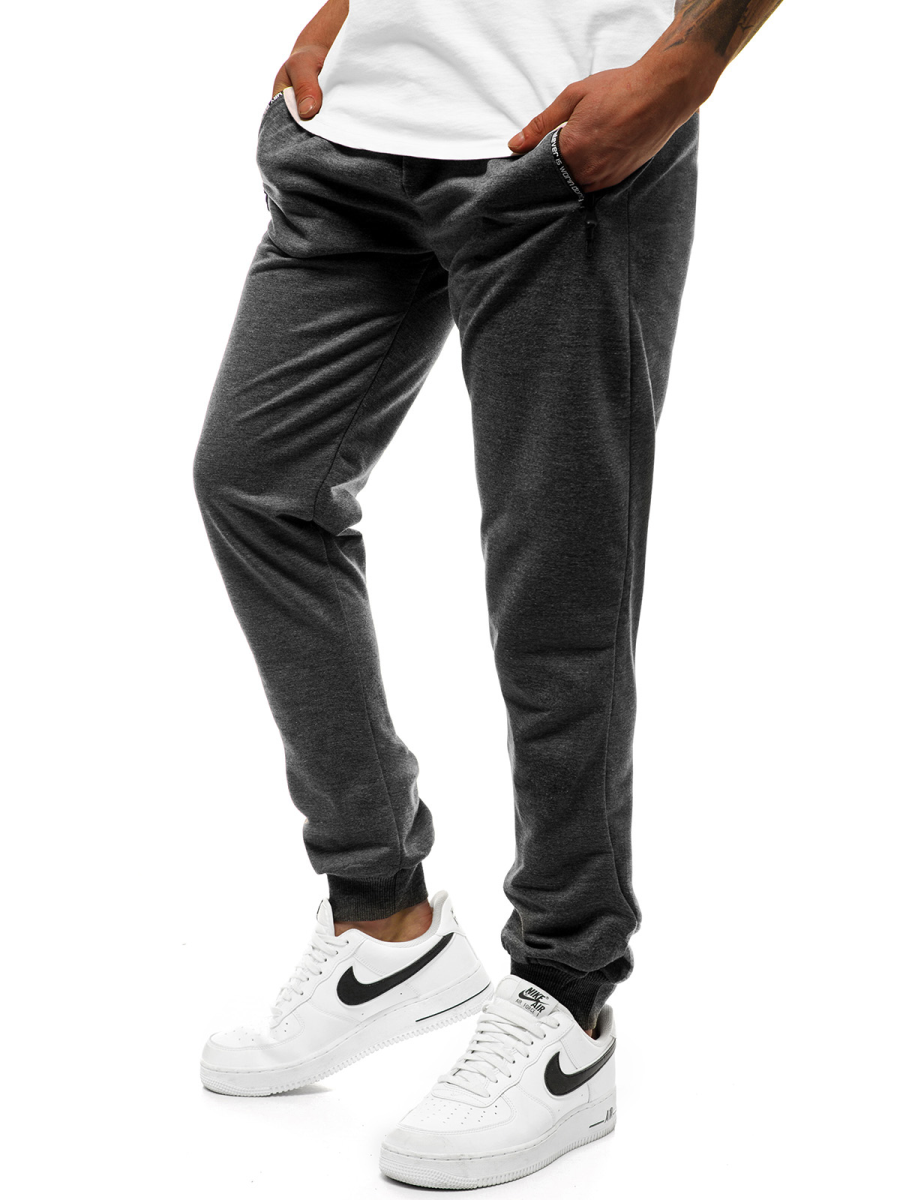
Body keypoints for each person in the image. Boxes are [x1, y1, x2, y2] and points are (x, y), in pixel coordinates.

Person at [192, 0, 783, 1186]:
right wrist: (342, 19)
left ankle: (567, 998)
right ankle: (383, 922)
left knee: (558, 580)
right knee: (257, 488)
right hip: (353, 136)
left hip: (559, 144)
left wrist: (687, 64)